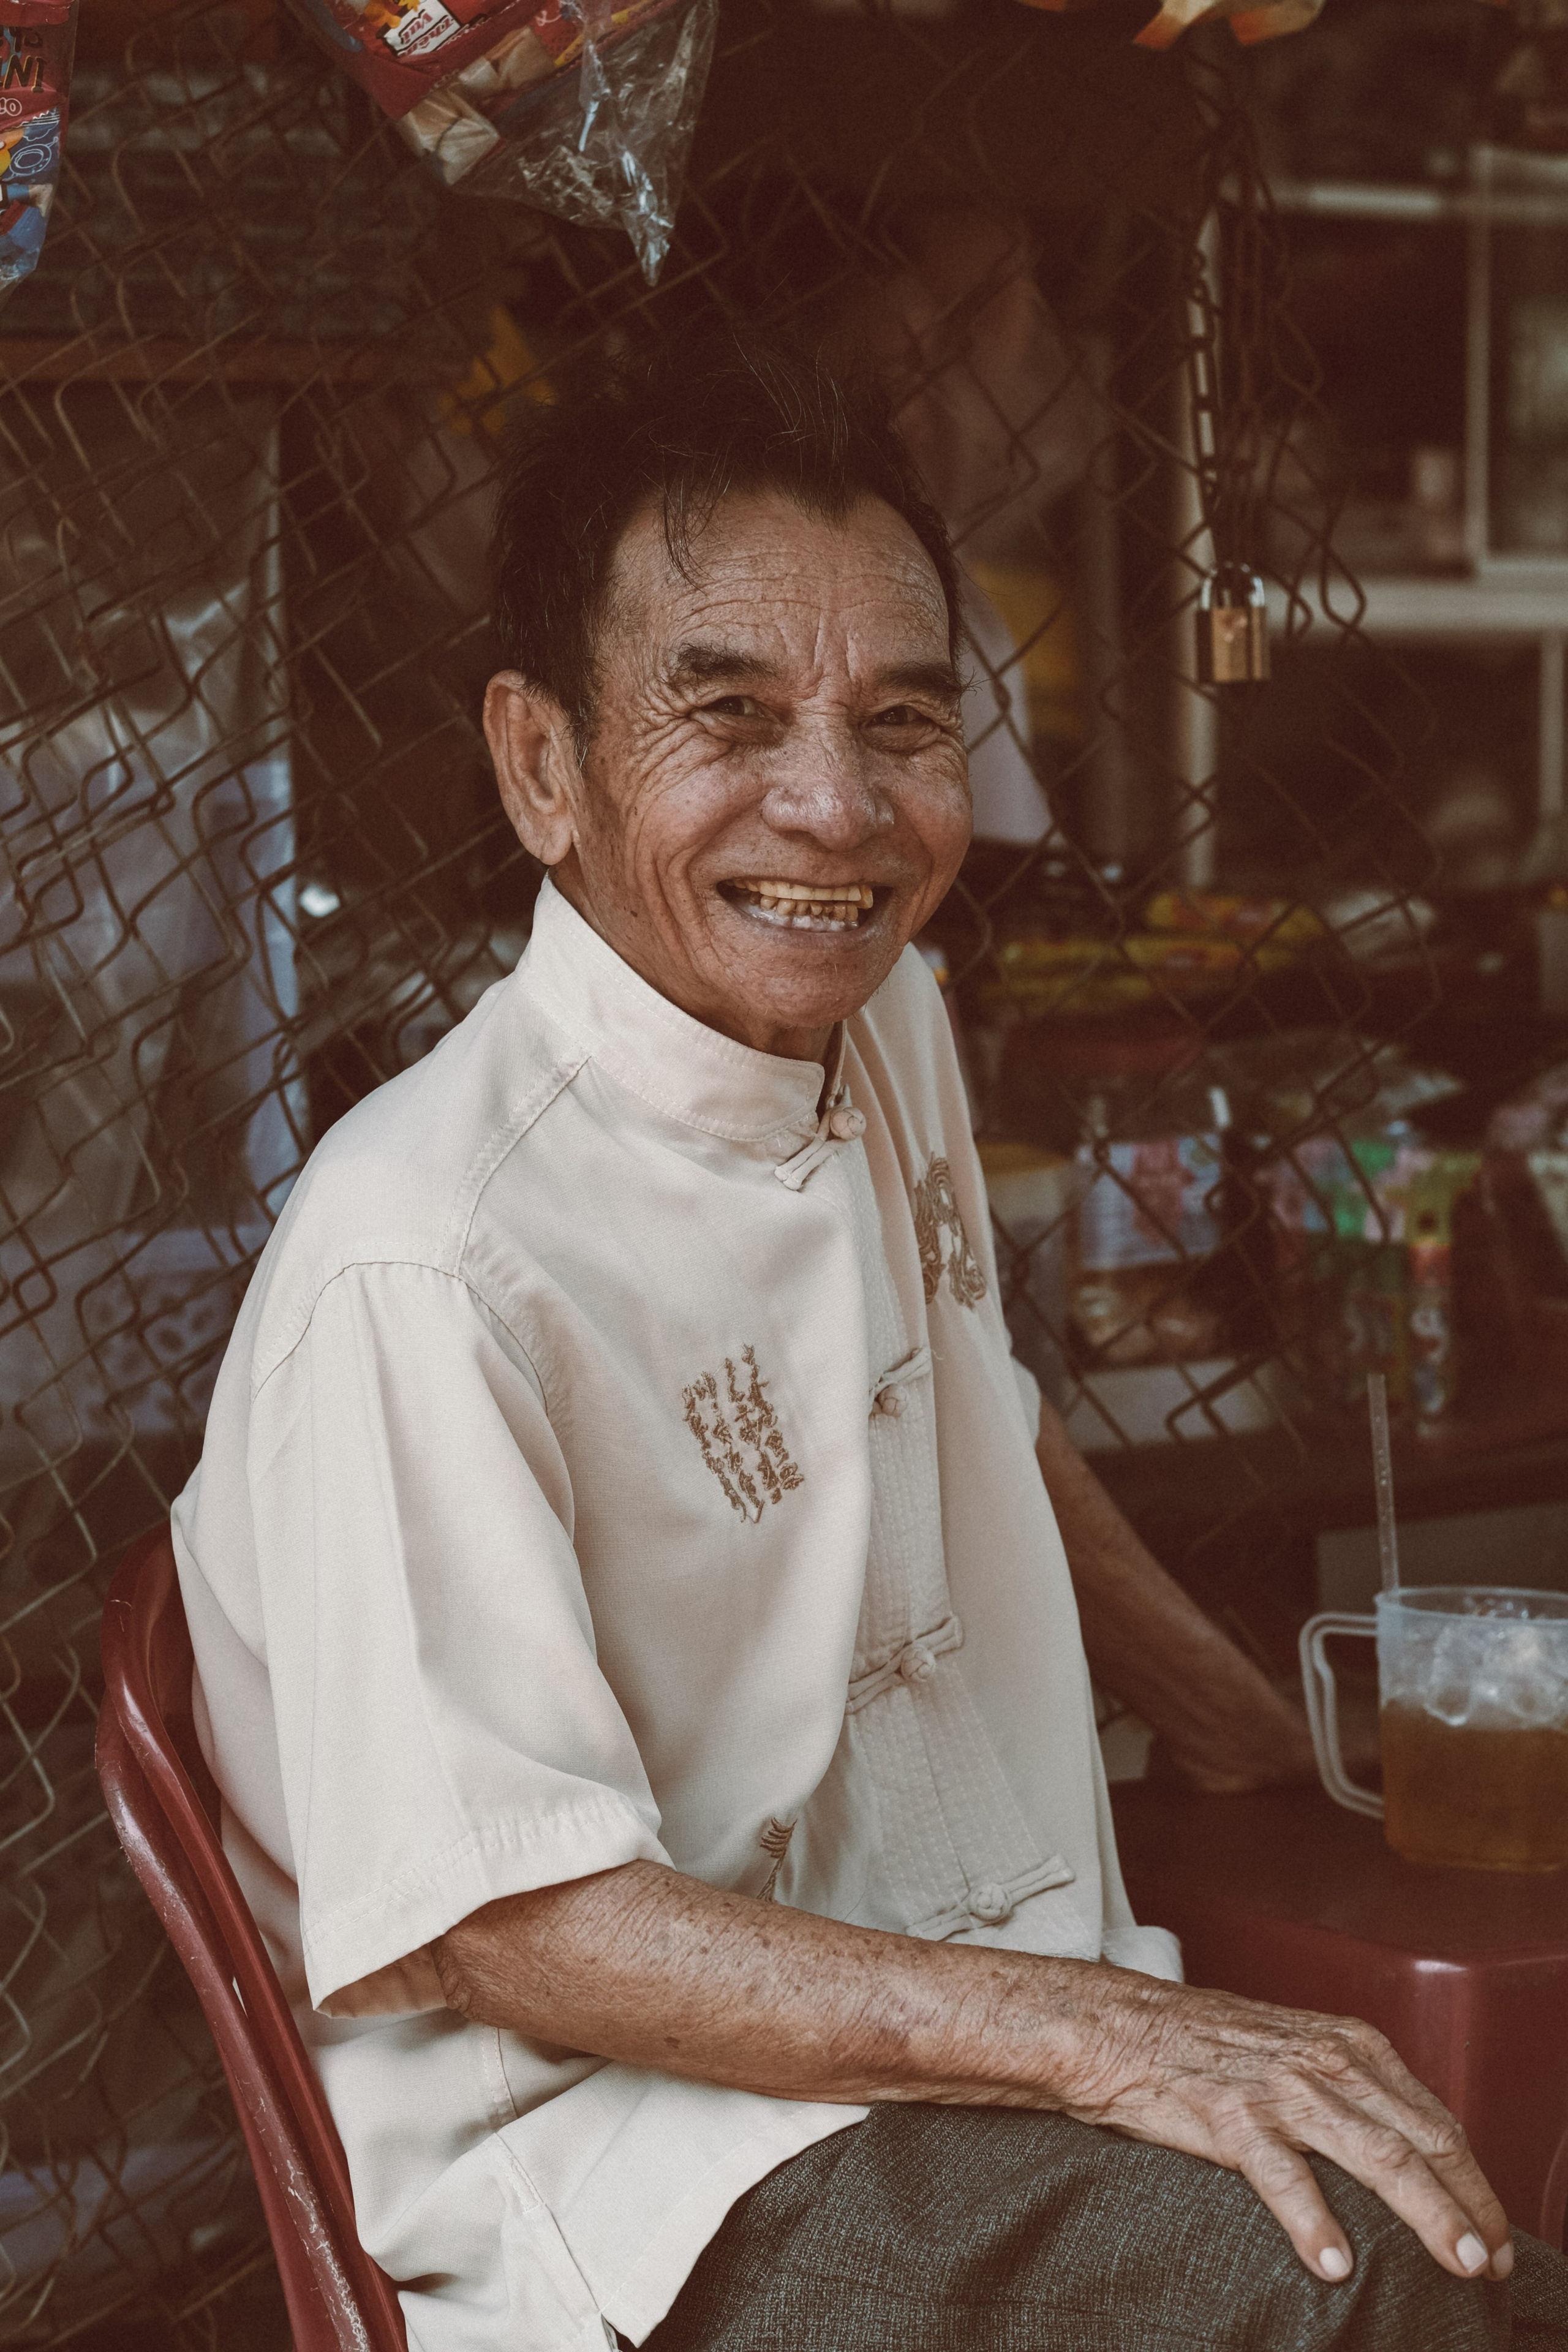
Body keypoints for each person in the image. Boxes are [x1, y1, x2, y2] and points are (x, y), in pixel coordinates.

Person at [171, 336, 1568, 2352]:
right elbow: (512, 1920)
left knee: (1449, 2238)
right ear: (541, 763)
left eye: (902, 723)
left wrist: (1245, 1724)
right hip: (662, 2160)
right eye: (726, 717)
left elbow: (973, 1403)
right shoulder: (430, 1257)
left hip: (979, 2013)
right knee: (1384, 2290)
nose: (833, 810)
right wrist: (1101, 2042)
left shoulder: (873, 1014)